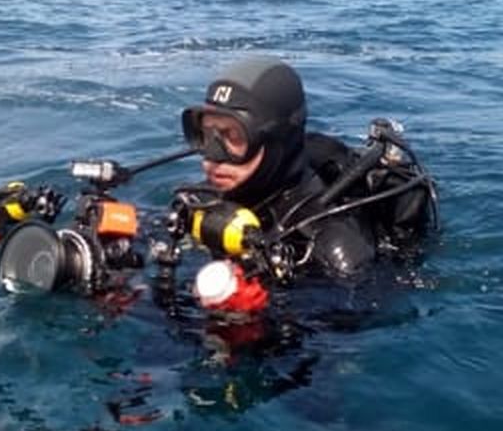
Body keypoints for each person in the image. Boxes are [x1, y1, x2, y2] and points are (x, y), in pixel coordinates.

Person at [179, 55, 437, 281]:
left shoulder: (332, 244)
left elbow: (346, 324)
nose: (211, 157)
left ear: (275, 142)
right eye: (207, 134)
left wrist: (250, 319)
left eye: (234, 136)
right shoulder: (204, 198)